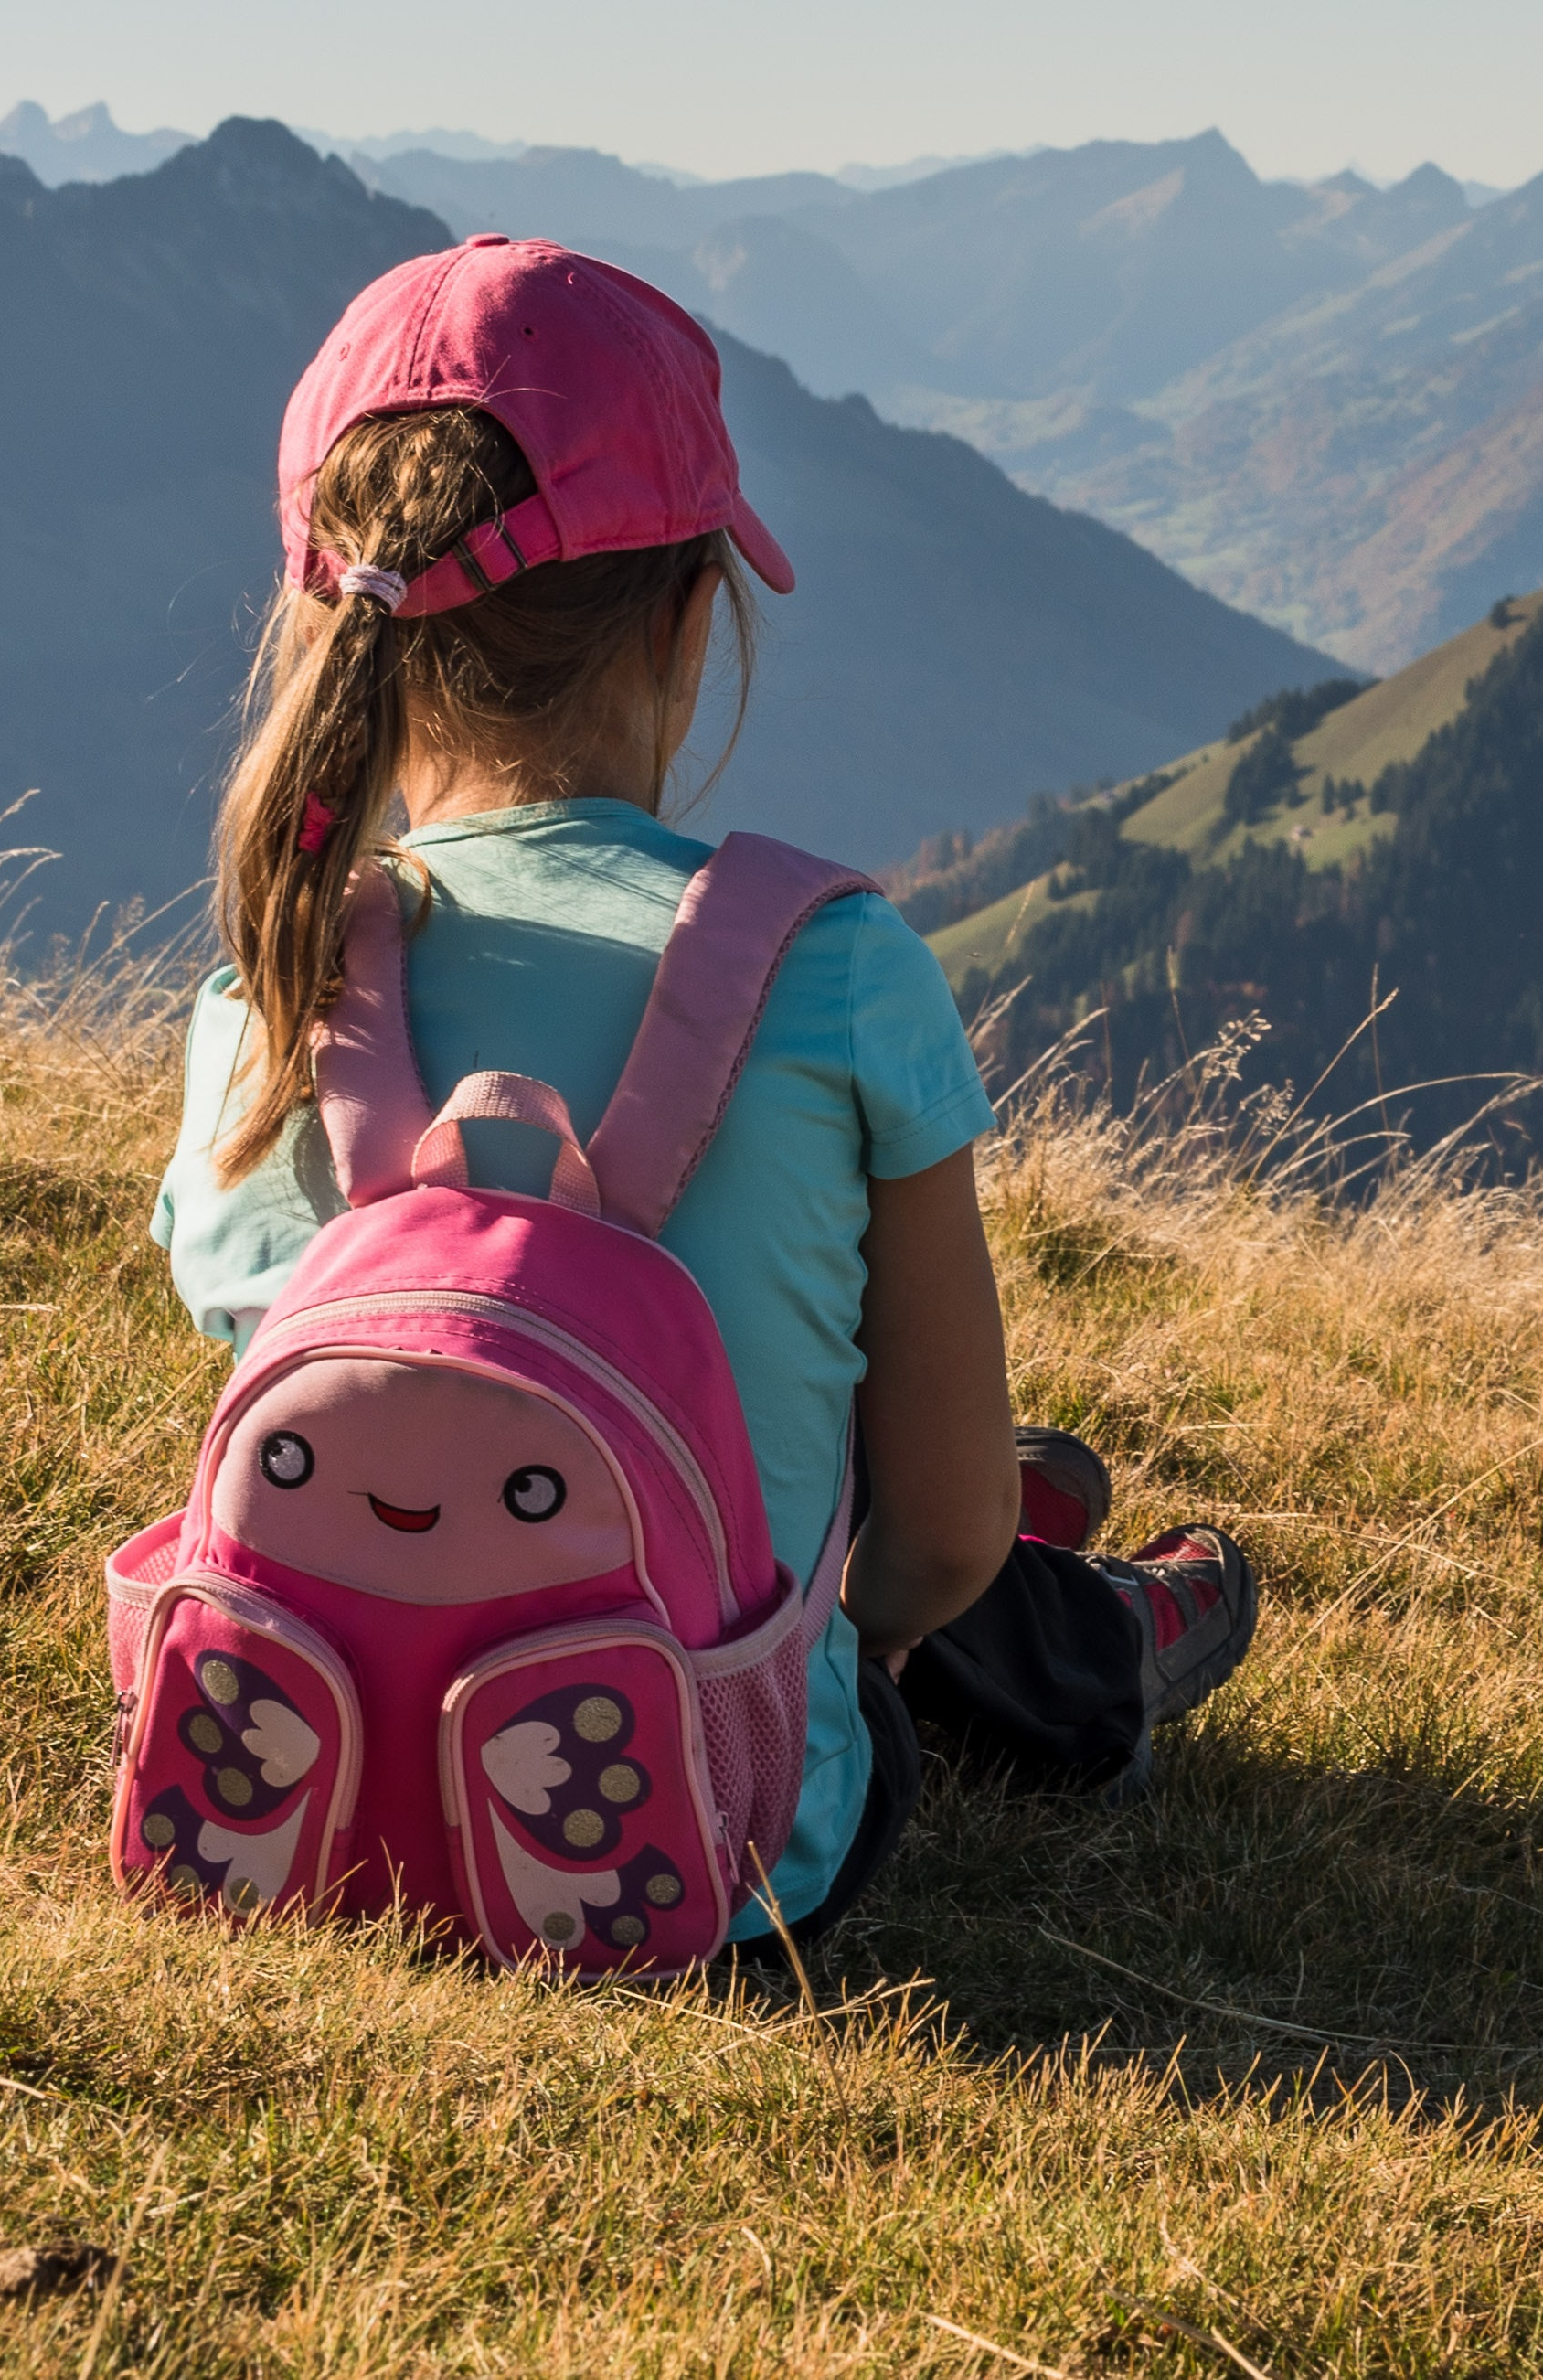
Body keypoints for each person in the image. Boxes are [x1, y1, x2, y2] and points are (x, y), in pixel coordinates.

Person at [146, 232, 1258, 1940]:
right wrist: (857, 1618)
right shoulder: (831, 967)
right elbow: (940, 1551)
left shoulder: (271, 988)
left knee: (788, 1442)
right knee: (898, 1503)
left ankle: (994, 1551)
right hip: (727, 1861)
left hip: (297, 1820)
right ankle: (1095, 1635)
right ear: (688, 614)